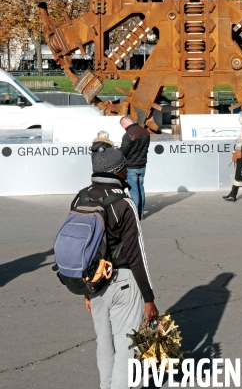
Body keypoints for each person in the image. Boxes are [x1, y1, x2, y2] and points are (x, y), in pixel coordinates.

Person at [82, 148, 158, 389]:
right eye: (124, 167)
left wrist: (85, 287)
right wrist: (149, 297)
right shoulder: (123, 203)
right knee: (127, 349)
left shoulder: (81, 197)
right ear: (116, 171)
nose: (127, 170)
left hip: (94, 282)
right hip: (123, 281)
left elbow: (81, 248)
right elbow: (137, 255)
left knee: (103, 343)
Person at [120, 115, 150, 220]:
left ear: (125, 124)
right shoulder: (146, 132)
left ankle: (136, 213)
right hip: (142, 165)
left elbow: (124, 152)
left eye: (123, 126)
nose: (123, 128)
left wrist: (119, 149)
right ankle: (141, 212)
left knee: (134, 190)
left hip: (131, 166)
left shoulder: (128, 135)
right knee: (141, 188)